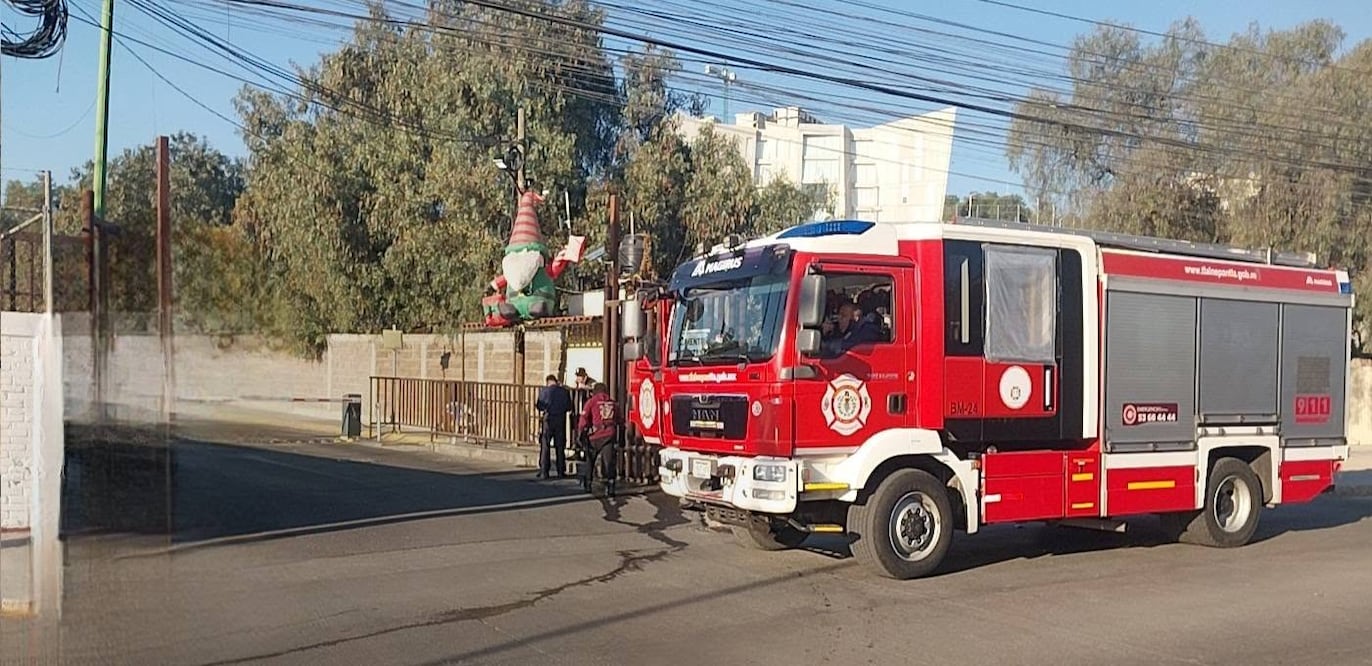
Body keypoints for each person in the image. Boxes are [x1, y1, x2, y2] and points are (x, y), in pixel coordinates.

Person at [576, 382, 618, 495]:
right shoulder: (612, 402)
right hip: (609, 434)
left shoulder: (592, 402)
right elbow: (619, 419)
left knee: (590, 460)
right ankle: (611, 485)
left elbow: (584, 418)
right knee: (609, 462)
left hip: (595, 435)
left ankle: (588, 483)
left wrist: (581, 433)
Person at [535, 374, 573, 479]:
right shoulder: (564, 391)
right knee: (560, 446)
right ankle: (561, 471)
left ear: (548, 382)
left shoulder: (544, 391)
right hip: (560, 420)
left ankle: (544, 471)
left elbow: (539, 405)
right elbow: (569, 407)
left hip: (548, 419)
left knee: (545, 445)